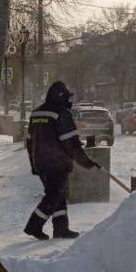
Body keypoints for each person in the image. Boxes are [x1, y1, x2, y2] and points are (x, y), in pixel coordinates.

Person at [23, 80, 98, 240]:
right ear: (60, 97)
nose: (69, 101)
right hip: (56, 164)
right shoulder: (62, 113)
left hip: (41, 162)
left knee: (58, 194)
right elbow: (71, 144)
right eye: (67, 98)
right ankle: (33, 226)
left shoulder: (36, 113)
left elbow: (29, 142)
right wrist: (86, 162)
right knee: (54, 195)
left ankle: (61, 229)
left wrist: (33, 164)